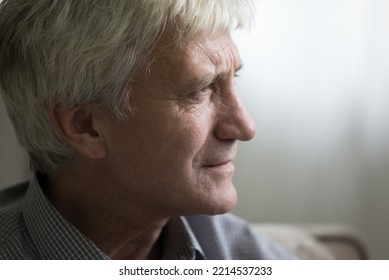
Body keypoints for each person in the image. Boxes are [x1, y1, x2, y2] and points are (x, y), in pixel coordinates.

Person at [0, 0, 296, 260]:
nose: (245, 127)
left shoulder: (247, 257)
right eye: (201, 89)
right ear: (85, 126)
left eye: (234, 79)